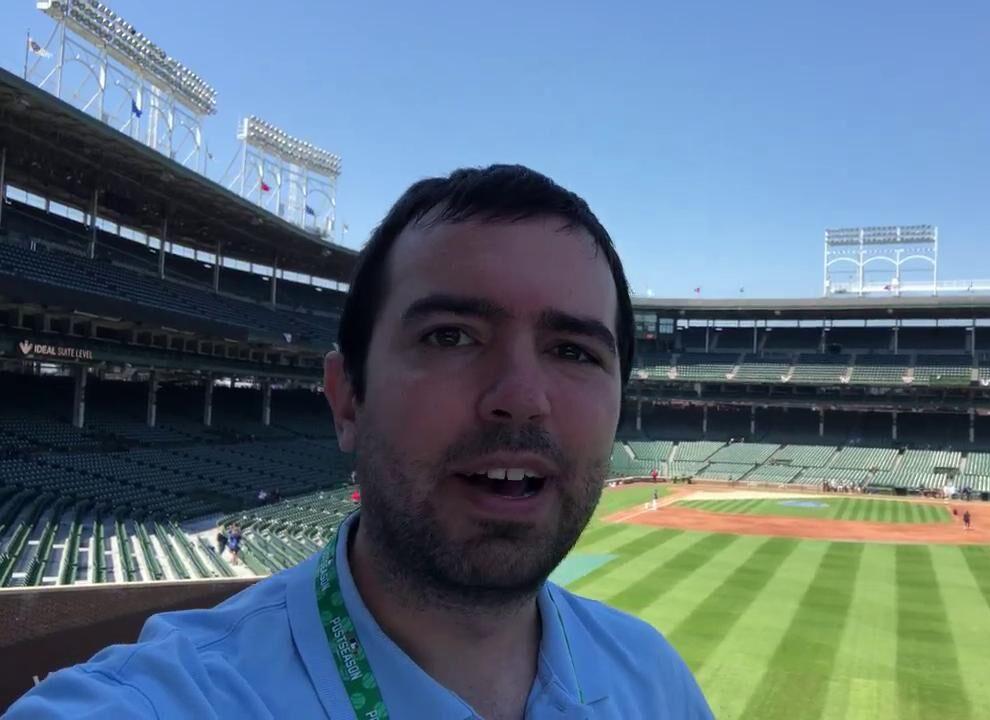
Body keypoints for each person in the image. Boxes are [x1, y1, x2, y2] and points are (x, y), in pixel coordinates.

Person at [9, 165, 712, 719]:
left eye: (574, 350)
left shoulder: (655, 683)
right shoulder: (166, 702)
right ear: (347, 397)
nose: (522, 397)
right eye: (451, 336)